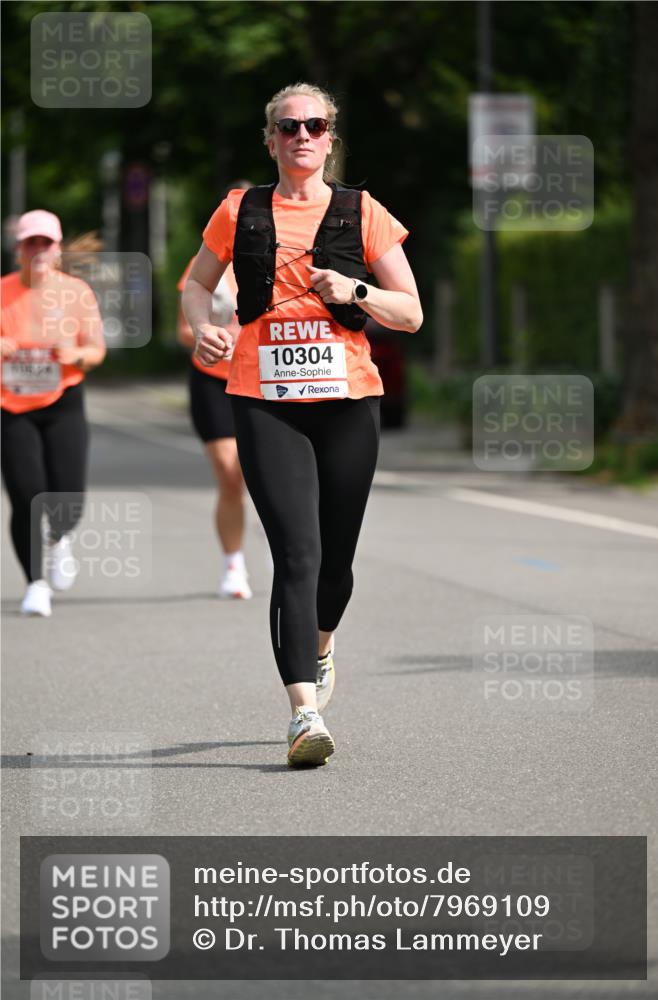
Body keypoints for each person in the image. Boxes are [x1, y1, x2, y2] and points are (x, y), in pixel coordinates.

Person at [183, 83, 422, 766]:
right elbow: (197, 285)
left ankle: (319, 645)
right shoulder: (239, 210)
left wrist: (356, 291)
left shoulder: (362, 212)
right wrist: (205, 330)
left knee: (335, 564)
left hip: (347, 403)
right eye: (288, 127)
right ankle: (302, 714)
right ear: (270, 140)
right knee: (296, 554)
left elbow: (409, 312)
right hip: (265, 400)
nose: (301, 136)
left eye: (313, 125)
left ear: (329, 137)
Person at [1, 210, 106, 617]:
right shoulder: (3, 292)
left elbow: (96, 352)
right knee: (26, 494)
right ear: (18, 251)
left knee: (68, 497)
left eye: (46, 243)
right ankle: (35, 583)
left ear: (58, 250)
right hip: (12, 406)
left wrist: (75, 353)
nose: (38, 251)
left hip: (63, 400)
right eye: (31, 243)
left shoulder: (76, 293)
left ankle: (59, 538)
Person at [176, 181, 253, 599]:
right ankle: (233, 565)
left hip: (263, 379)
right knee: (229, 475)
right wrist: (210, 334)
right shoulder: (203, 263)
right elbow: (183, 329)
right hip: (213, 380)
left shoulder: (276, 258)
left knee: (262, 473)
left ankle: (292, 554)